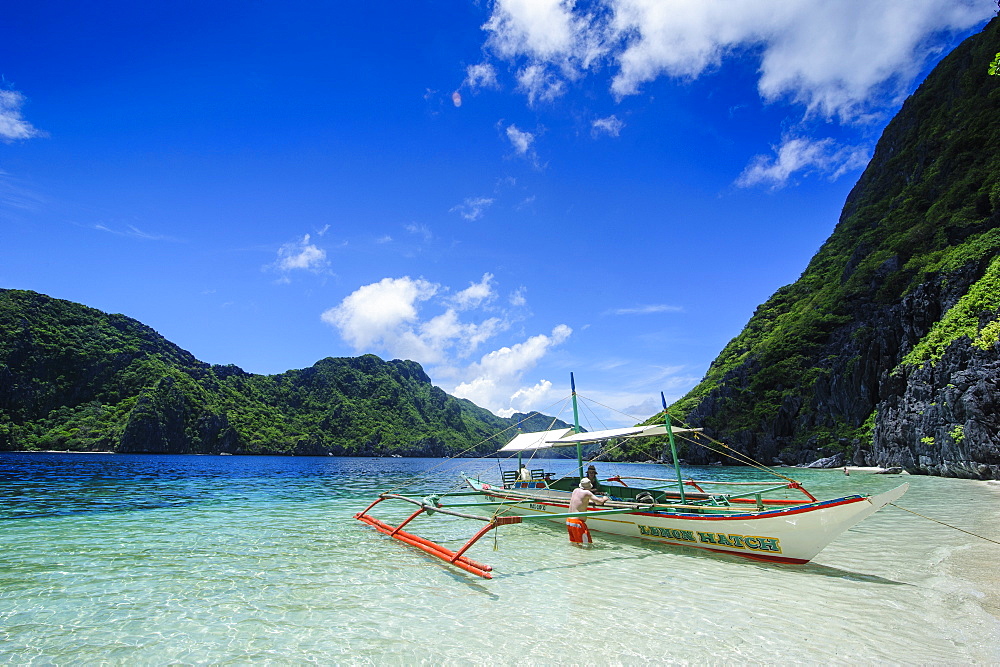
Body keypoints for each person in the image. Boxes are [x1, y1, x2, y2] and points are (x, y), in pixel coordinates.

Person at [566, 477, 607, 545]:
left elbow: (580, 500)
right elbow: (600, 502)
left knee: (575, 544)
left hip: (569, 520)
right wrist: (604, 498)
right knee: (585, 544)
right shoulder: (587, 493)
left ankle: (574, 555)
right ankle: (583, 555)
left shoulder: (575, 490)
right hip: (577, 523)